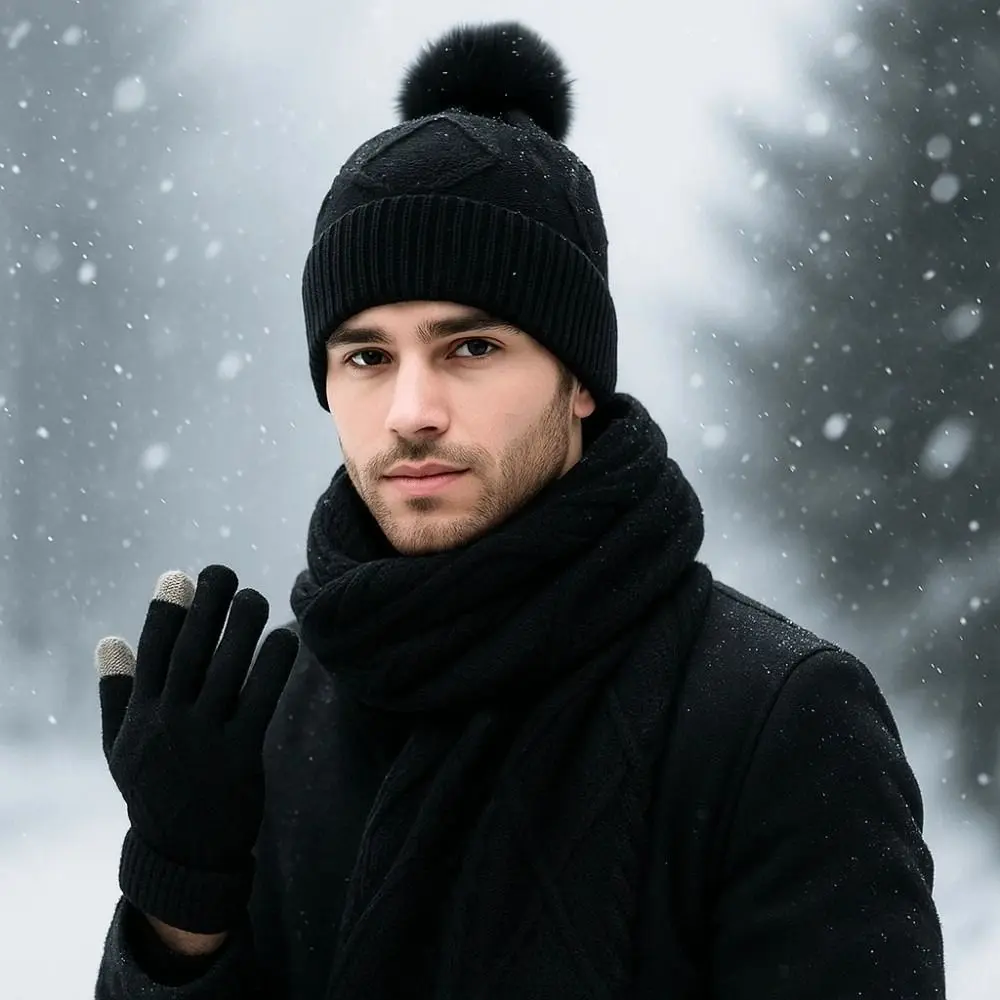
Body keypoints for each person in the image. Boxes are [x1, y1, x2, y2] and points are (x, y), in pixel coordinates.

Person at [93, 20, 946, 1000]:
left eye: (471, 348)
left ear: (578, 379)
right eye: (367, 356)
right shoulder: (272, 720)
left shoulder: (778, 722)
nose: (411, 410)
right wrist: (180, 907)